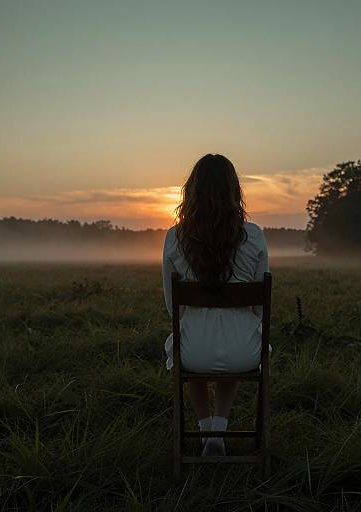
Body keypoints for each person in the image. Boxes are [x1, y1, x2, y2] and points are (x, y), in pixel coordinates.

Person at [162, 154, 270, 456]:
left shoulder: (174, 237)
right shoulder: (255, 236)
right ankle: (218, 432)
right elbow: (260, 308)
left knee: (186, 341)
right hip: (245, 355)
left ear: (192, 191)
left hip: (192, 353)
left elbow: (174, 309)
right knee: (236, 336)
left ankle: (205, 430)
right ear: (234, 189)